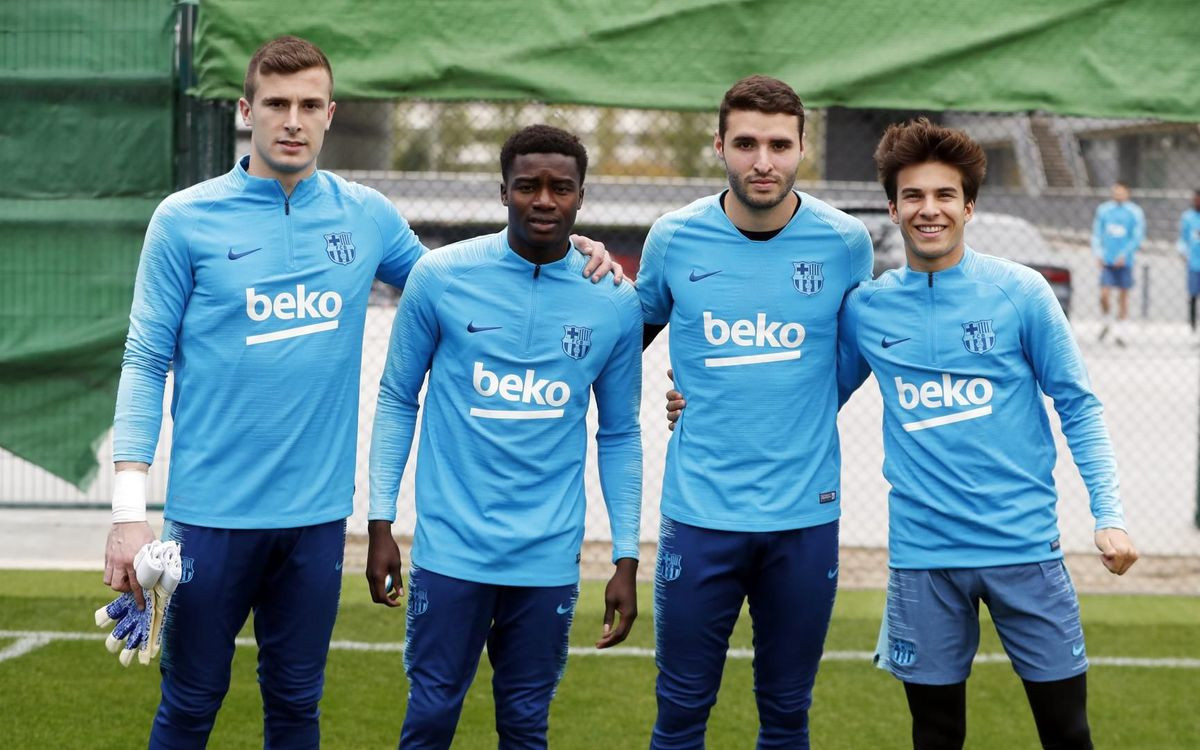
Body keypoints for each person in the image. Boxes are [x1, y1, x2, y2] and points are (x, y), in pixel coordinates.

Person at [103, 37, 618, 748]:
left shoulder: (366, 215)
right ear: (246, 111)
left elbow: (461, 287)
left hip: (316, 525)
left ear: (330, 114)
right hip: (207, 519)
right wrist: (130, 513)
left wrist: (568, 247)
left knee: (295, 707)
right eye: (276, 104)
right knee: (189, 706)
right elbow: (143, 357)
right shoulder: (183, 220)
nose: (292, 119)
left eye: (309, 105)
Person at [836, 119, 1137, 749]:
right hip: (924, 559)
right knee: (936, 734)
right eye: (913, 196)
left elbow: (1077, 406)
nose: (929, 209)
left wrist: (1108, 515)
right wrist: (701, 403)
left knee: (1067, 731)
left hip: (1024, 550)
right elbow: (812, 402)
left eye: (945, 195)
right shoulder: (867, 307)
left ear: (969, 205)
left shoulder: (1021, 292)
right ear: (892, 207)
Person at [366, 124, 643, 749]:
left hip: (547, 558)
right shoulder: (439, 277)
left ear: (581, 197)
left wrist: (627, 555)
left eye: (559, 188)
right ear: (502, 192)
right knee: (431, 714)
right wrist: (380, 521)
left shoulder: (615, 303)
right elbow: (395, 398)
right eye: (527, 186)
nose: (543, 200)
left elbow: (621, 432)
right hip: (450, 552)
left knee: (525, 724)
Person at [636, 75, 873, 749]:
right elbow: (622, 339)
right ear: (719, 146)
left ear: (803, 147)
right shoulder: (673, 238)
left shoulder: (845, 242)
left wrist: (796, 400)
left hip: (804, 519)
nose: (761, 161)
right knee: (679, 714)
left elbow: (859, 351)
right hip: (700, 515)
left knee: (787, 714)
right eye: (745, 143)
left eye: (778, 144)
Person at [1091, 181, 1145, 345]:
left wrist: (1125, 254)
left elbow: (1137, 236)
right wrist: (1099, 254)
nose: (1118, 195)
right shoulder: (1104, 210)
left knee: (1123, 296)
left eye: (1121, 192)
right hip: (1107, 260)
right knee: (1104, 294)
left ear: (1127, 193)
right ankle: (1107, 321)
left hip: (1124, 261)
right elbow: (1097, 233)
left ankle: (1121, 331)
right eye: (1116, 192)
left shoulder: (1134, 212)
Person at [1178, 189, 1200, 340]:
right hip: (1194, 263)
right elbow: (1182, 238)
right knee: (1192, 295)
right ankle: (1192, 325)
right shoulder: (1187, 217)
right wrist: (1183, 251)